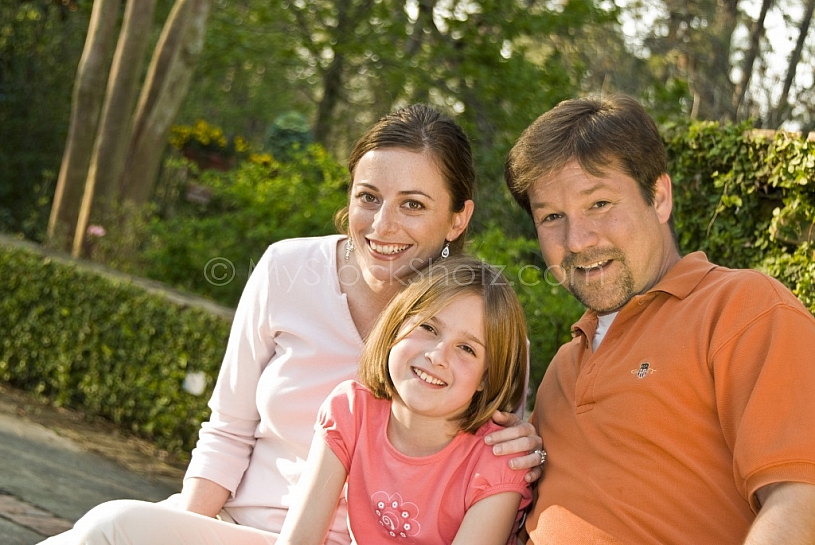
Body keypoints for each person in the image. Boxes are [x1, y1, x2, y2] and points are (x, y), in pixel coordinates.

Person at [42, 104, 543, 544]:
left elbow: (490, 473)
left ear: (458, 218)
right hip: (232, 524)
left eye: (413, 204)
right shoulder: (286, 269)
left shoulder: (489, 338)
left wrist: (532, 450)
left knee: (108, 528)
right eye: (368, 197)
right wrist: (189, 526)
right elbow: (228, 430)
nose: (382, 224)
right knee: (93, 535)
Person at [504, 94, 815, 544]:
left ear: (660, 197)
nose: (577, 240)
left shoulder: (742, 308)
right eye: (552, 216)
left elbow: (799, 501)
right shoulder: (561, 372)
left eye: (599, 203)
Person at [278, 256, 533, 545]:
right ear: (396, 325)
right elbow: (299, 540)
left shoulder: (498, 460)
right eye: (428, 327)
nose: (437, 356)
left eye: (466, 348)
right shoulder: (351, 411)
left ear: (486, 378)